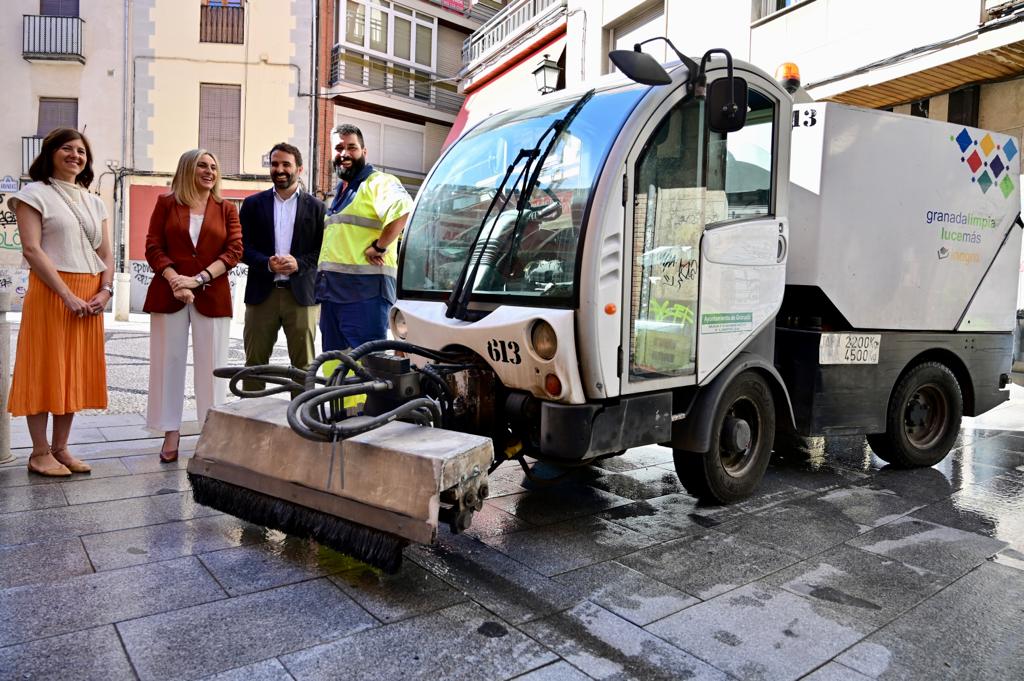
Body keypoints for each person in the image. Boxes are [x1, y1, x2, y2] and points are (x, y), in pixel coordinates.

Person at [7, 128, 113, 476]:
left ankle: (61, 449)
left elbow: (106, 253)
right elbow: (32, 249)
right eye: (67, 148)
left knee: (73, 372)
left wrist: (105, 291)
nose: (75, 155)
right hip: (53, 292)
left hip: (89, 295)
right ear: (50, 153)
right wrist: (66, 295)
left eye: (81, 151)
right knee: (44, 369)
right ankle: (39, 453)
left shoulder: (94, 200)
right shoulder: (33, 194)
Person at [143, 148, 243, 463]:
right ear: (188, 168)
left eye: (214, 166)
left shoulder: (226, 208)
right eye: (202, 165)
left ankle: (210, 433)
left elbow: (234, 250)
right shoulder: (166, 203)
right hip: (168, 291)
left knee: (213, 367)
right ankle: (170, 433)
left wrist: (198, 279)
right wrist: (175, 279)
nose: (209, 171)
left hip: (212, 293)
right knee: (167, 363)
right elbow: (152, 245)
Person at [318, 124, 413, 353]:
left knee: (367, 368)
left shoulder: (378, 182)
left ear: (364, 152)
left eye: (352, 147)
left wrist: (379, 247)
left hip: (364, 296)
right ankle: (336, 391)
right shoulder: (340, 191)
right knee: (334, 366)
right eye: (339, 147)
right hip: (333, 296)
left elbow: (402, 210)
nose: (345, 153)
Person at [239, 143, 325, 388]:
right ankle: (251, 420)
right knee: (254, 364)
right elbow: (242, 247)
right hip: (261, 295)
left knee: (304, 367)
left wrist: (298, 263)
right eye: (275, 164)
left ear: (299, 169)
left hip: (301, 297)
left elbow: (322, 252)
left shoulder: (317, 208)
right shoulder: (253, 204)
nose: (279, 169)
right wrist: (266, 263)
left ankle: (301, 422)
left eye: (286, 164)